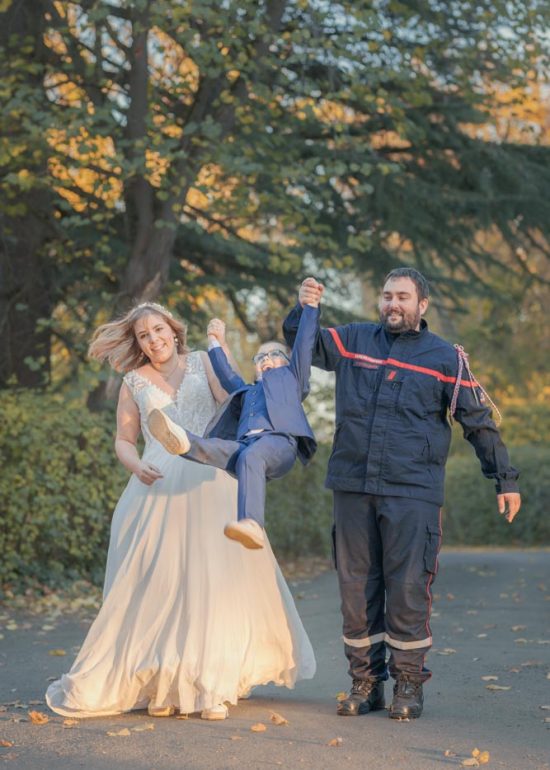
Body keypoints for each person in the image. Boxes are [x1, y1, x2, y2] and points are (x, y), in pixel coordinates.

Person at [46, 302, 315, 721]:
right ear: (139, 344)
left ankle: (210, 683)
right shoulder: (133, 381)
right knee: (159, 586)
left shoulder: (203, 362)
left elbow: (234, 402)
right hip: (158, 485)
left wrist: (227, 352)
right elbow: (123, 439)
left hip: (210, 481)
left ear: (173, 330)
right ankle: (162, 680)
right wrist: (136, 466)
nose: (153, 340)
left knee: (212, 583)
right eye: (144, 336)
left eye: (158, 330)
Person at [283, 269, 521, 720]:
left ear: (421, 305)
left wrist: (504, 479)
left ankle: (408, 685)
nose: (393, 304)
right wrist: (304, 307)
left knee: (409, 588)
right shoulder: (353, 339)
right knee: (356, 590)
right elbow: (303, 344)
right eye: (388, 296)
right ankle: (365, 683)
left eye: (403, 297)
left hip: (413, 491)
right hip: (353, 485)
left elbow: (478, 422)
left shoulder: (445, 358)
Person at [147, 301, 319, 550]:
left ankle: (252, 523)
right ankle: (182, 441)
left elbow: (304, 343)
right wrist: (214, 341)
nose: (266, 359)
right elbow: (225, 373)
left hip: (280, 441)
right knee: (216, 447)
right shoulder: (245, 391)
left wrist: (310, 307)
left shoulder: (293, 379)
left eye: (274, 355)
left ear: (288, 362)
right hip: (246, 445)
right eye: (260, 357)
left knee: (251, 456)